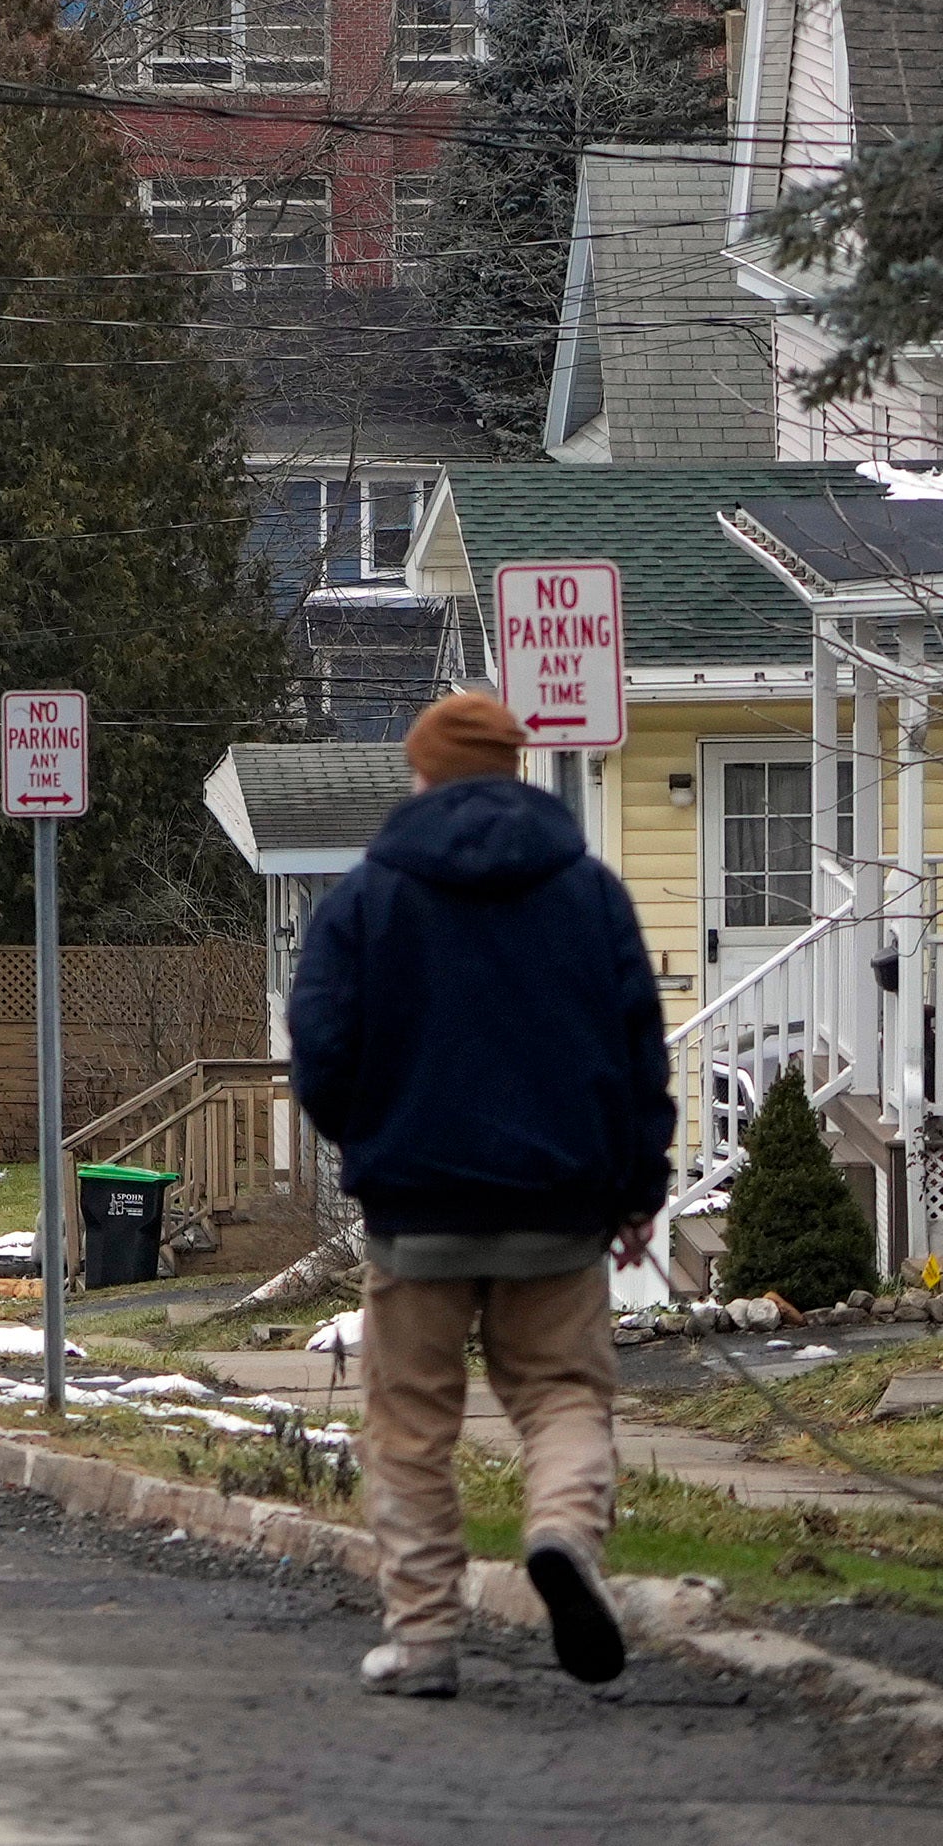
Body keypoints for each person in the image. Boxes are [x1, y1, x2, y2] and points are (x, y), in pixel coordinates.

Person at [283, 684, 669, 1695]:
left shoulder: (368, 895)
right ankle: (563, 1534)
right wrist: (635, 1188)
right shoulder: (589, 891)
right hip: (559, 1208)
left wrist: (372, 1143)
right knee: (563, 1392)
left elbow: (319, 1046)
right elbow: (639, 1053)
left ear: (422, 773)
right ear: (511, 768)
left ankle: (422, 1640)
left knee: (410, 1427)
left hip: (417, 1211)